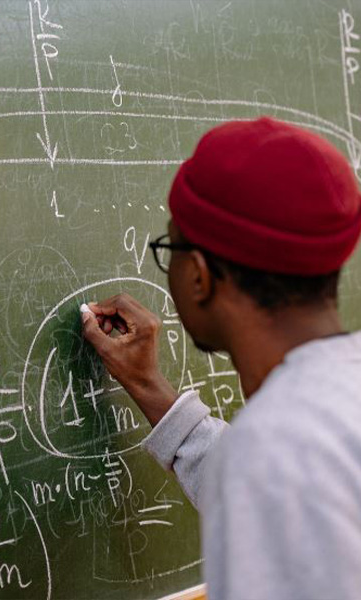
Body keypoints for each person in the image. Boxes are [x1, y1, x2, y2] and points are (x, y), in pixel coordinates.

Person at [81, 117, 361, 600]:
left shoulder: (277, 448)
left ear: (200, 277)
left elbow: (271, 484)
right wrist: (153, 391)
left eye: (171, 249)